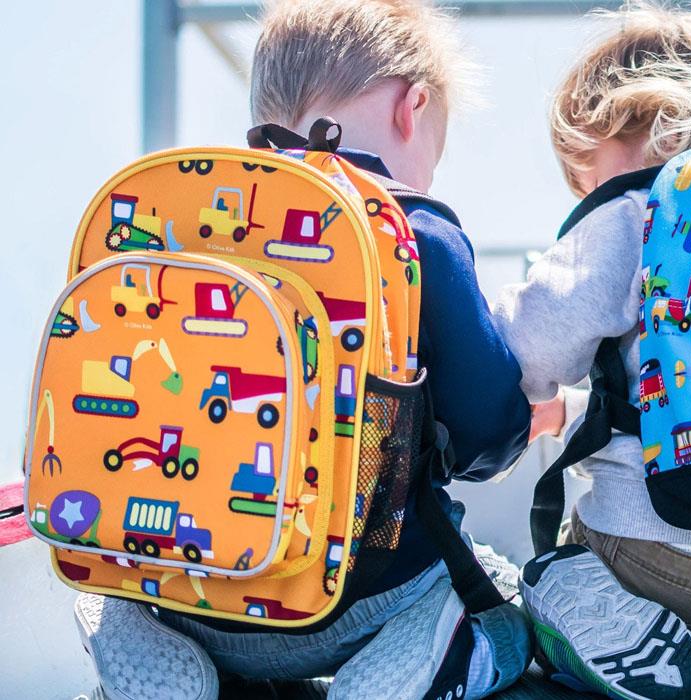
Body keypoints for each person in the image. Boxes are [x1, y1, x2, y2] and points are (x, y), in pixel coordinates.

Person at [74, 1, 534, 699]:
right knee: (504, 613)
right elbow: (486, 431)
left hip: (180, 588)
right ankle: (415, 659)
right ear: (412, 108)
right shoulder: (413, 228)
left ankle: (137, 631)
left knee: (150, 591)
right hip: (360, 599)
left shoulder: (181, 223)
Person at [493, 4, 691, 698]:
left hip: (650, 553)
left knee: (554, 571)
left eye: (582, 172)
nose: (583, 193)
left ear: (618, 124)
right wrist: (572, 413)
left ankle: (602, 631)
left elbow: (531, 345)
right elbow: (670, 390)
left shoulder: (632, 208)